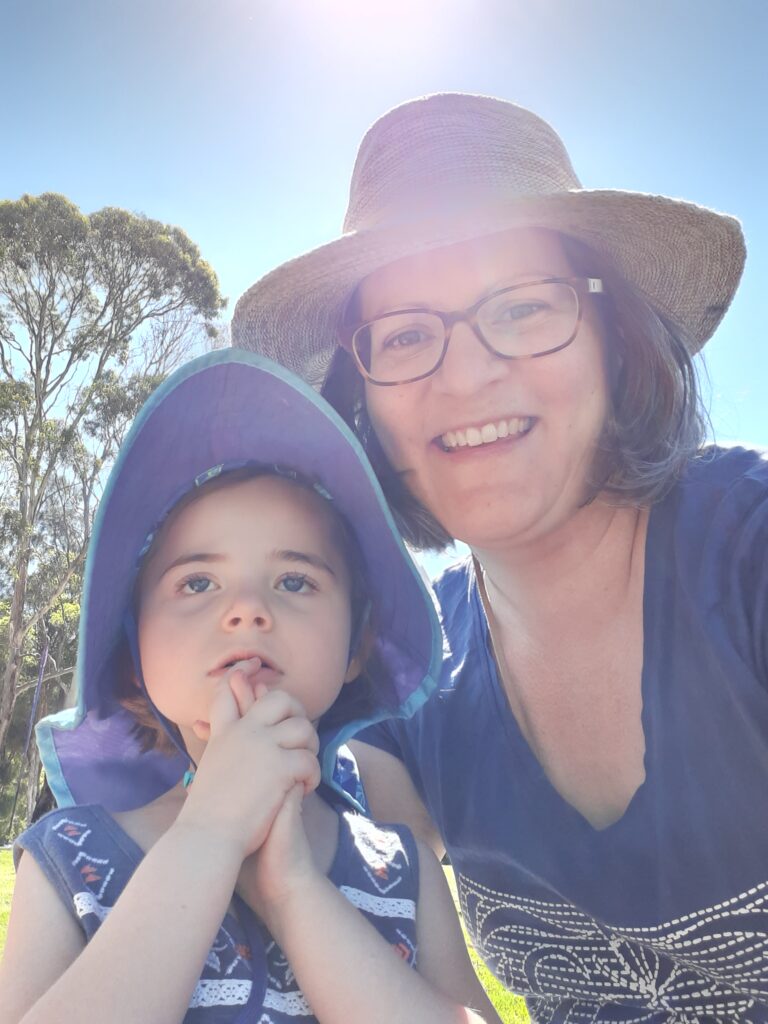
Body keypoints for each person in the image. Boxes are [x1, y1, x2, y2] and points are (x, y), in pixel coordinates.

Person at [230, 93, 768, 1023]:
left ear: (614, 336)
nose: (466, 373)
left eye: (521, 308)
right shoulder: (408, 677)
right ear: (361, 399)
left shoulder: (745, 555)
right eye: (406, 334)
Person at [0, 350, 502, 1024]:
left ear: (356, 647)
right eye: (197, 582)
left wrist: (295, 893)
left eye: (295, 581)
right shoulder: (69, 859)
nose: (246, 610)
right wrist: (208, 833)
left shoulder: (404, 875)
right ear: (134, 653)